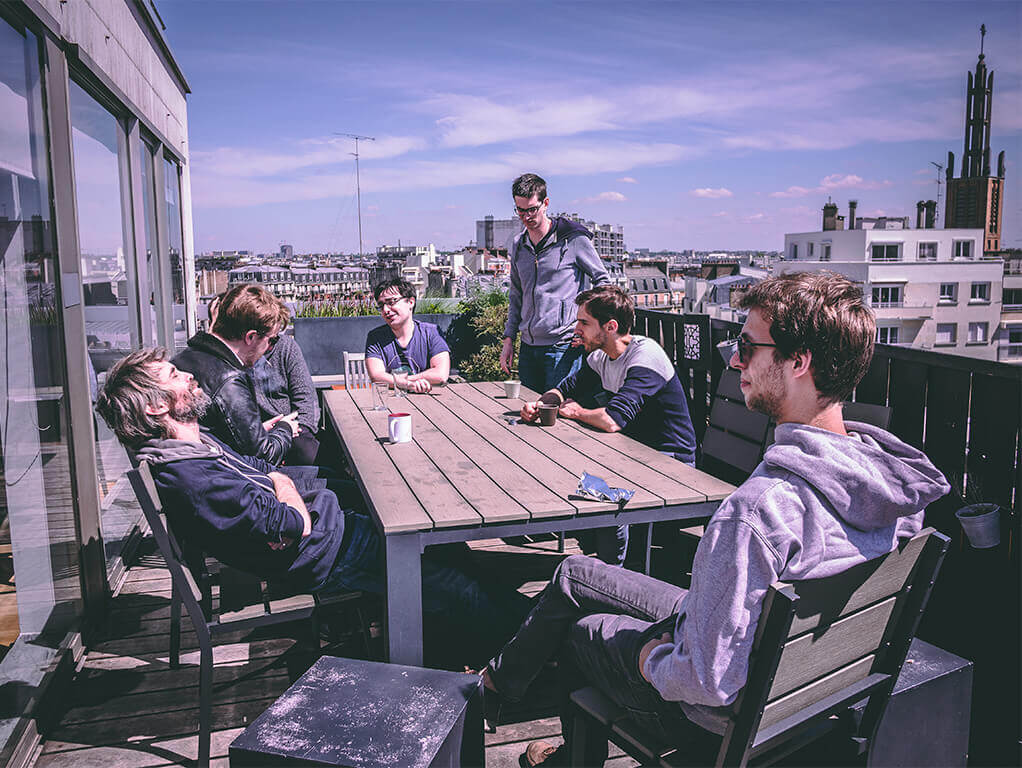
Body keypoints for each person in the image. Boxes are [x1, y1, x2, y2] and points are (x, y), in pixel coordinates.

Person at [483, 271, 951, 767]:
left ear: (798, 362)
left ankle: (562, 751)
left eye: (748, 347)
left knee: (585, 631)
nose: (733, 359)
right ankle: (500, 685)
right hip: (803, 696)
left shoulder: (756, 514)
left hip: (710, 721)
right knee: (575, 574)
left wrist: (650, 658)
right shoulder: (891, 488)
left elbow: (707, 683)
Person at [95, 347, 531, 667]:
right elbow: (289, 523)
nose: (189, 377)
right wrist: (284, 484)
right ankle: (539, 642)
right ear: (156, 406)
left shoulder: (190, 446)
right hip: (325, 553)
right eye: (175, 376)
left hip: (327, 533)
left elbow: (258, 468)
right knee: (455, 581)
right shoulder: (191, 476)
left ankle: (513, 626)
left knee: (446, 553)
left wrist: (281, 483)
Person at [520, 285, 698, 566]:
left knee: (603, 493)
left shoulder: (645, 357)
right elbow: (566, 387)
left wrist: (576, 412)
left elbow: (613, 420)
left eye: (584, 323)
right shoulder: (603, 357)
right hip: (634, 455)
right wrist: (542, 405)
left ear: (610, 326)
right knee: (571, 474)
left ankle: (614, 572)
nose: (576, 329)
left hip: (671, 463)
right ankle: (604, 563)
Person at [500, 173, 610, 393]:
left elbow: (603, 282)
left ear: (545, 203)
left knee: (559, 417)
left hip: (563, 346)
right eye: (520, 210)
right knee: (529, 414)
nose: (526, 216)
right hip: (528, 349)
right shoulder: (518, 245)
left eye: (532, 209)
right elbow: (516, 295)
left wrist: (586, 327)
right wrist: (509, 339)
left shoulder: (573, 239)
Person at [174, 284, 298, 465]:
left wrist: (257, 431)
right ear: (251, 337)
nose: (270, 348)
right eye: (272, 340)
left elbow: (218, 433)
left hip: (208, 469)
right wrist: (284, 428)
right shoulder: (229, 381)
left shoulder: (184, 359)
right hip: (238, 479)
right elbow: (264, 455)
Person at [209, 292, 323, 467]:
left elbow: (306, 398)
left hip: (290, 428)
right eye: (271, 337)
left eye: (276, 337)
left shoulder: (285, 348)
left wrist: (299, 429)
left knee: (311, 452)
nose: (273, 343)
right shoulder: (229, 365)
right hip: (259, 440)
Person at [365, 278, 451, 394]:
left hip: (430, 401)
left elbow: (440, 375)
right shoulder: (376, 338)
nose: (385, 310)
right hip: (391, 403)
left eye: (391, 302)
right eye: (381, 305)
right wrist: (409, 384)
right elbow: (376, 376)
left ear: (411, 302)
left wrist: (399, 381)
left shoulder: (431, 332)